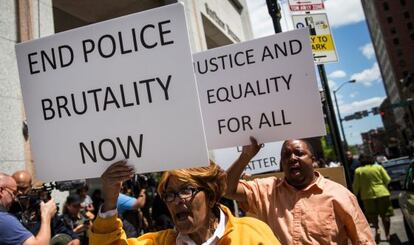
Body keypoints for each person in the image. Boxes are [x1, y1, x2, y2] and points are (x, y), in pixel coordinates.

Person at [89, 160, 280, 244]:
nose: (177, 201)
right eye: (170, 194)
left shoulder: (252, 233)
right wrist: (111, 197)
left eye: (186, 191)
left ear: (211, 196)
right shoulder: (160, 243)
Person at [225, 138, 375, 244]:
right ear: (282, 164)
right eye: (286, 155)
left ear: (313, 160)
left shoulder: (340, 195)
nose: (292, 158)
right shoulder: (267, 190)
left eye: (299, 153)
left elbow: (363, 240)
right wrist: (246, 156)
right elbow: (226, 189)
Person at [0, 172, 57, 245]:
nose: (15, 198)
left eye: (23, 188)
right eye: (13, 193)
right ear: (1, 191)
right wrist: (46, 216)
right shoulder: (4, 219)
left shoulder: (37, 204)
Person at [353, 153, 393, 241]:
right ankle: (388, 234)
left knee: (372, 215)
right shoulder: (378, 167)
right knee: (385, 214)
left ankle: (377, 228)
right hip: (382, 193)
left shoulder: (358, 171)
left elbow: (356, 186)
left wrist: (354, 195)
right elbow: (387, 180)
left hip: (367, 196)